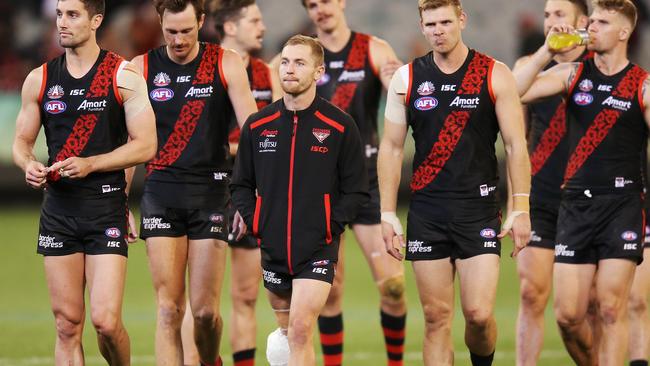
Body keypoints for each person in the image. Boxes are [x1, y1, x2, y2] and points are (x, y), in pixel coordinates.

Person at [378, 1, 532, 365]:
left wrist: (521, 207)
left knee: (478, 315)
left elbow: (515, 145)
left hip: (477, 210)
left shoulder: (495, 74)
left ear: (462, 20)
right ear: (421, 26)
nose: (438, 30)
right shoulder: (407, 79)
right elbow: (391, 147)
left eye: (445, 21)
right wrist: (386, 214)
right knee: (436, 319)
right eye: (430, 23)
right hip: (427, 212)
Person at [11, 0, 156, 364]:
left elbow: (146, 145)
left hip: (105, 208)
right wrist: (28, 164)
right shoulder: (40, 78)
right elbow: (21, 143)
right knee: (66, 324)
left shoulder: (122, 75)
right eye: (59, 15)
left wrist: (92, 163)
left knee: (105, 322)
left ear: (96, 20)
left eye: (72, 15)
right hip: (59, 211)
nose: (62, 23)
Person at [513, 0, 650, 364]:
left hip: (621, 206)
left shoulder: (642, 85)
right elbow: (514, 93)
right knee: (568, 316)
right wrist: (545, 51)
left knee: (609, 308)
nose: (593, 28)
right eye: (594, 21)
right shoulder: (573, 74)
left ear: (624, 32)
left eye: (603, 23)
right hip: (575, 206)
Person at [130, 0, 256, 365]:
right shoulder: (141, 68)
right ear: (160, 23)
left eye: (186, 30)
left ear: (202, 21)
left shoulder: (225, 62)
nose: (179, 39)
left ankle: (211, 360)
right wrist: (120, 202)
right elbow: (131, 143)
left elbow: (252, 135)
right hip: (160, 194)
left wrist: (251, 196)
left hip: (211, 195)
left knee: (204, 313)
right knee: (169, 309)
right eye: (171, 31)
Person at [231, 34, 369, 366]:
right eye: (286, 62)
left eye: (300, 63)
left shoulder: (339, 126)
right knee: (284, 337)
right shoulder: (258, 125)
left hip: (317, 250)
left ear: (319, 72)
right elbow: (240, 185)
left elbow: (356, 190)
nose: (289, 70)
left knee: (300, 330)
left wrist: (328, 227)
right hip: (273, 248)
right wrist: (258, 223)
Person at [300, 1, 408, 364]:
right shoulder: (303, 55)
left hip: (366, 181)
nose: (320, 9)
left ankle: (395, 361)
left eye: (326, 1)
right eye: (311, 4)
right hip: (317, 186)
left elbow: (398, 90)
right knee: (330, 292)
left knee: (393, 286)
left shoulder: (373, 50)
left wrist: (399, 81)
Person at [179, 1, 281, 365]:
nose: (263, 27)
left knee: (246, 295)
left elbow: (279, 135)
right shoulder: (203, 71)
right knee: (199, 302)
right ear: (231, 28)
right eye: (254, 20)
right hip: (206, 188)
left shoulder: (269, 75)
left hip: (250, 188)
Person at [511, 1, 590, 365]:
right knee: (530, 293)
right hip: (540, 197)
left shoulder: (601, 69)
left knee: (585, 311)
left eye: (560, 15)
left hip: (590, 202)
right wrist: (517, 203)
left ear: (582, 23)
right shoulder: (528, 68)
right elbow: (517, 137)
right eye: (546, 16)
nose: (551, 23)